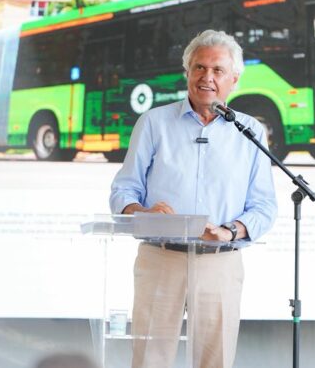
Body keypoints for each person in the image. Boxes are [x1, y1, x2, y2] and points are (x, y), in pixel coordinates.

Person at [109, 30, 277, 368]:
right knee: (148, 361)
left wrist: (230, 231)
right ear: (187, 73)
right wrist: (141, 211)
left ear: (234, 79)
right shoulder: (154, 122)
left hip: (220, 261)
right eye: (199, 68)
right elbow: (122, 191)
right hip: (161, 258)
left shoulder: (250, 132)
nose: (207, 78)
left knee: (214, 362)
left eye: (217, 71)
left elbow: (264, 206)